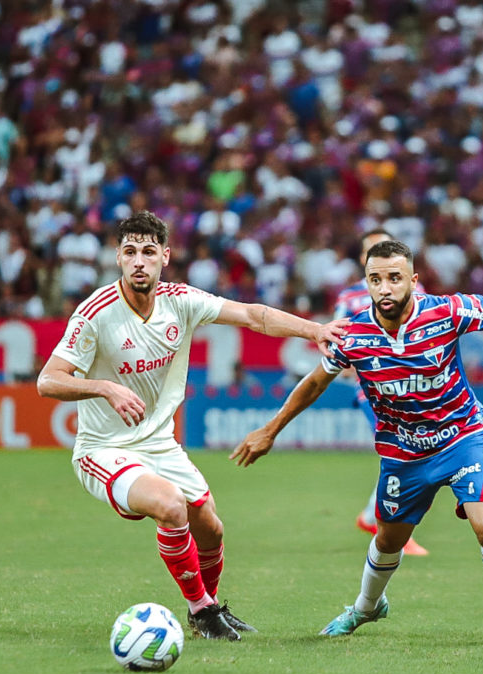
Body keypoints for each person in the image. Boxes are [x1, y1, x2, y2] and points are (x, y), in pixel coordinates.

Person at [37, 211, 345, 641]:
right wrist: (106, 387)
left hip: (160, 445)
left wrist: (315, 329)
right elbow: (48, 380)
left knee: (211, 528)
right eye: (130, 252)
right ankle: (201, 609)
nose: (139, 261)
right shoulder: (96, 313)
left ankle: (209, 608)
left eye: (148, 251)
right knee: (170, 506)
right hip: (103, 449)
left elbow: (254, 316)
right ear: (118, 259)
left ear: (165, 255)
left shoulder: (181, 301)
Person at [231, 239, 483, 646]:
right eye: (375, 279)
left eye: (394, 278)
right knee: (388, 541)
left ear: (413, 280)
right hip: (403, 453)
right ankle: (366, 607)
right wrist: (271, 429)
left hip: (462, 437)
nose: (385, 288)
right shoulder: (355, 334)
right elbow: (314, 384)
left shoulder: (446, 311)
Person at [333, 229, 429, 557]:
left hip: (412, 390)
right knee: (403, 450)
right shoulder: (348, 298)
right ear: (363, 260)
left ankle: (372, 517)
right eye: (371, 250)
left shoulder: (417, 292)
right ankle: (389, 524)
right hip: (371, 390)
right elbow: (337, 341)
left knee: (410, 450)